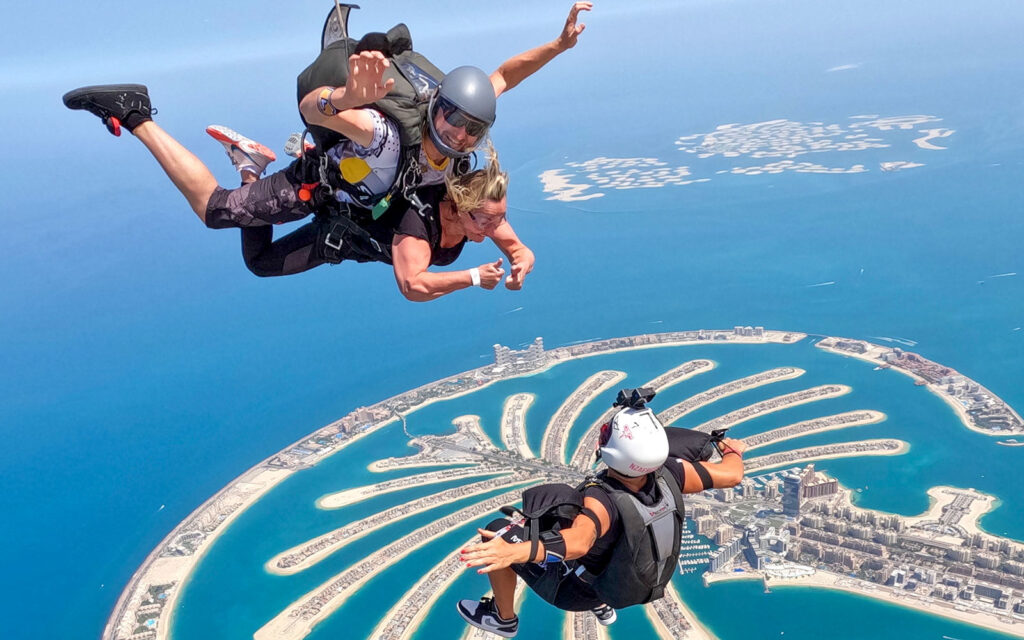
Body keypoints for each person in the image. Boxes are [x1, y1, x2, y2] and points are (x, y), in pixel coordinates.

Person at [61, 3, 591, 297]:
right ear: (437, 106)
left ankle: (252, 164)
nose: (457, 136)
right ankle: (137, 113)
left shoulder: (460, 160)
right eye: (452, 121)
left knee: (263, 263)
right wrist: (349, 98)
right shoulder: (385, 135)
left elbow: (502, 77)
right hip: (318, 185)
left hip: (346, 217)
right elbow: (316, 108)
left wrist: (559, 46)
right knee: (215, 212)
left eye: (471, 131)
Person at [455, 391, 747, 637]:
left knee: (498, 531)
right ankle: (601, 603)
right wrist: (733, 451)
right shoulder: (672, 473)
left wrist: (513, 552)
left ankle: (503, 619)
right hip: (633, 583)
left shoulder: (602, 499)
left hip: (575, 592)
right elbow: (731, 475)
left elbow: (580, 542)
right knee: (559, 504)